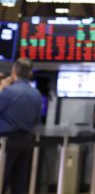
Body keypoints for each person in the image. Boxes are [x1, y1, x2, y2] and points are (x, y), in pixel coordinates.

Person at [0, 58, 42, 194]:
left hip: (6, 141)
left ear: (13, 71)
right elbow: (36, 121)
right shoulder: (36, 94)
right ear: (30, 74)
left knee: (1, 178)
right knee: (19, 181)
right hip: (26, 141)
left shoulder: (8, 92)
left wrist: (1, 88)